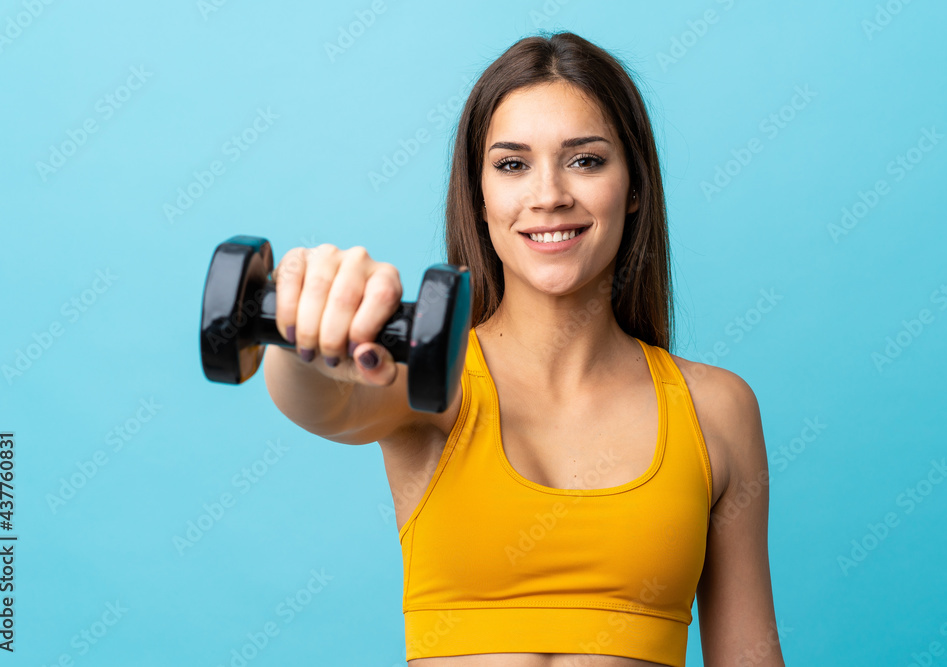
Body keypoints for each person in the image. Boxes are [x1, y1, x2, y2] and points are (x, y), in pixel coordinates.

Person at [263, 31, 785, 667]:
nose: (549, 195)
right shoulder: (435, 379)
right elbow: (327, 404)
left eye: (586, 161)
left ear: (636, 186)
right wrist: (302, 338)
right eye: (512, 164)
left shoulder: (717, 409)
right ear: (479, 198)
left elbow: (748, 656)